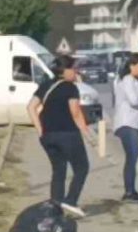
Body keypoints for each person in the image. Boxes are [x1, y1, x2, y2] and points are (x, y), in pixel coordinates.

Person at [26, 55, 94, 218]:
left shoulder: (46, 85)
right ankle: (70, 201)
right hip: (68, 134)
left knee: (58, 170)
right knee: (81, 168)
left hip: (48, 136)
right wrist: (88, 134)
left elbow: (30, 107)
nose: (76, 71)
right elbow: (76, 113)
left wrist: (40, 130)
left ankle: (55, 208)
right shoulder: (70, 88)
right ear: (65, 70)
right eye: (73, 68)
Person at [113, 53, 138, 204]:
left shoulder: (135, 80)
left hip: (134, 123)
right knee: (131, 158)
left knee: (133, 159)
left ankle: (132, 190)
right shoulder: (127, 80)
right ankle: (128, 192)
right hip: (127, 123)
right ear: (131, 66)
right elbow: (134, 101)